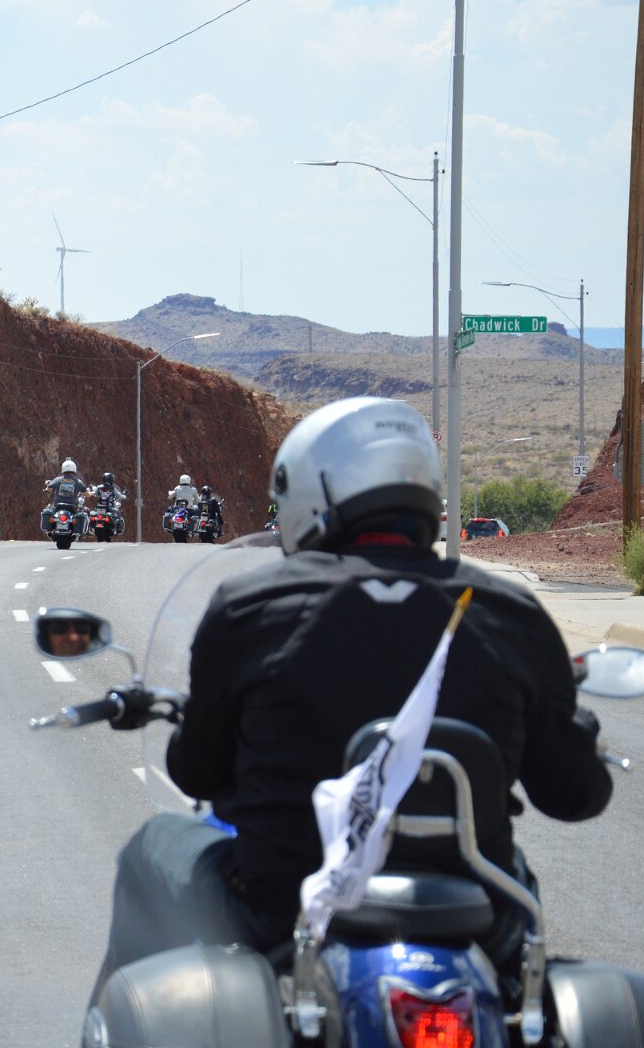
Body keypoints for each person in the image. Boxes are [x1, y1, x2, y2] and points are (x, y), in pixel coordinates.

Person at [91, 396, 613, 999]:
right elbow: (576, 795)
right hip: (476, 917)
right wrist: (578, 727)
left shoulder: (252, 606)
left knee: (151, 850)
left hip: (282, 909)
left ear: (314, 491)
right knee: (521, 906)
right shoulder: (510, 611)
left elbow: (197, 773)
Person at [42, 459, 86, 533]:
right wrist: (89, 493)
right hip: (72, 506)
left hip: (58, 505)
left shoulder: (58, 479)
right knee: (80, 514)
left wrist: (47, 489)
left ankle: (50, 529)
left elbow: (49, 487)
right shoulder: (78, 481)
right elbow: (85, 492)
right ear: (74, 469)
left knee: (48, 510)